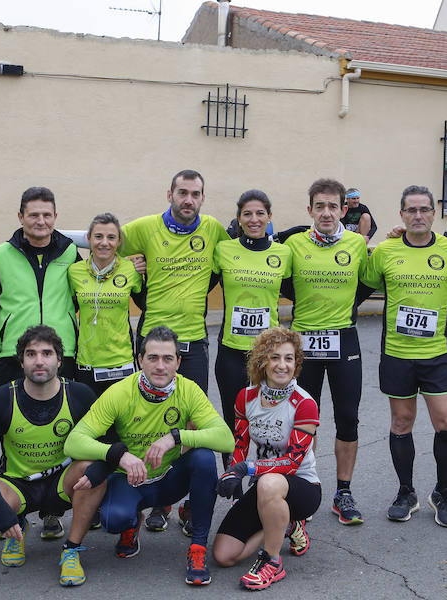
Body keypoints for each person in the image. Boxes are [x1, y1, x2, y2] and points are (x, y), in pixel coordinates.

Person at [64, 326, 234, 586]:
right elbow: (74, 442)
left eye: (168, 359)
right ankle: (132, 523)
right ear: (140, 359)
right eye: (152, 358)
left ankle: (198, 549)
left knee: (203, 458)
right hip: (130, 479)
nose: (160, 366)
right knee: (113, 520)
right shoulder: (121, 392)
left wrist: (176, 437)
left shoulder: (188, 390)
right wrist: (117, 455)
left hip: (169, 479)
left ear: (178, 362)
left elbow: (225, 438)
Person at [120, 170, 229, 533]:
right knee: (148, 413)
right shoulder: (145, 228)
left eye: (196, 194)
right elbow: (102, 244)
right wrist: (129, 265)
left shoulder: (212, 229)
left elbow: (234, 256)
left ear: (202, 198)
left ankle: (176, 501)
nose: (188, 200)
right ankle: (151, 494)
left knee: (190, 420)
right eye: (182, 192)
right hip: (152, 340)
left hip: (194, 341)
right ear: (169, 194)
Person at [0, 325, 107, 586]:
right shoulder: (0, 399)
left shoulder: (78, 394)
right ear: (21, 362)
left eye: (47, 353)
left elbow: (108, 444)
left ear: (59, 360)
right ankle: (16, 527)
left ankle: (72, 550)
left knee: (92, 469)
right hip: (19, 485)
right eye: (31, 354)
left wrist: (101, 471)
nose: (39, 360)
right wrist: (2, 511)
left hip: (61, 484)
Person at [0, 186, 81, 540]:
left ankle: (53, 511)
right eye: (33, 214)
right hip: (12, 355)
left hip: (59, 355)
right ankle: (13, 512)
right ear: (20, 216)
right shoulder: (3, 253)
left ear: (55, 217)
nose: (40, 221)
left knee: (62, 430)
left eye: (47, 214)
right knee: (12, 434)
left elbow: (87, 292)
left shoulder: (70, 252)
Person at [362, 186, 447, 527]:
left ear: (434, 213)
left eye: (424, 209)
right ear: (402, 215)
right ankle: (405, 492)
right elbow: (364, 284)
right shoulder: (387, 250)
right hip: (396, 353)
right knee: (401, 423)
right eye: (411, 210)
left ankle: (443, 491)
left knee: (446, 423)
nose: (418, 215)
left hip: (436, 353)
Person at [283, 178, 368, 525]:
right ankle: (307, 485)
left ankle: (343, 492)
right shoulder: (293, 245)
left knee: (348, 418)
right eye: (320, 206)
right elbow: (281, 283)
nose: (326, 212)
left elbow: (370, 282)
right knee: (304, 420)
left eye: (333, 206)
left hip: (344, 340)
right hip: (304, 342)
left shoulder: (357, 245)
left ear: (344, 210)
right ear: (310, 210)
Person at [212, 327, 320, 590]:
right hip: (264, 488)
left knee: (269, 482)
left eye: (289, 358)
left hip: (301, 487)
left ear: (296, 363)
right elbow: (240, 444)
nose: (282, 365)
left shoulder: (304, 403)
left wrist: (246, 468)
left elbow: (293, 462)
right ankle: (286, 525)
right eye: (275, 357)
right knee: (224, 556)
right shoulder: (246, 397)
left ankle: (272, 561)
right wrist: (231, 474)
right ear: (263, 361)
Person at [213, 190, 292, 467]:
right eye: (247, 213)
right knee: (233, 418)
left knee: (270, 417)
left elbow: (299, 289)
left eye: (260, 213)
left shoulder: (284, 253)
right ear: (239, 218)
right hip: (232, 351)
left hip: (268, 353)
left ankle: (267, 475)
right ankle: (232, 479)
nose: (254, 219)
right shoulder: (224, 250)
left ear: (269, 217)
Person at [69, 213, 144, 397]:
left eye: (111, 237)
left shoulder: (131, 270)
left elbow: (146, 305)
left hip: (122, 361)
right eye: (98, 236)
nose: (104, 243)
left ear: (119, 242)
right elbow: (69, 311)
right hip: (87, 362)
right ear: (88, 239)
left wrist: (146, 273)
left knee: (120, 422)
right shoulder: (74, 271)